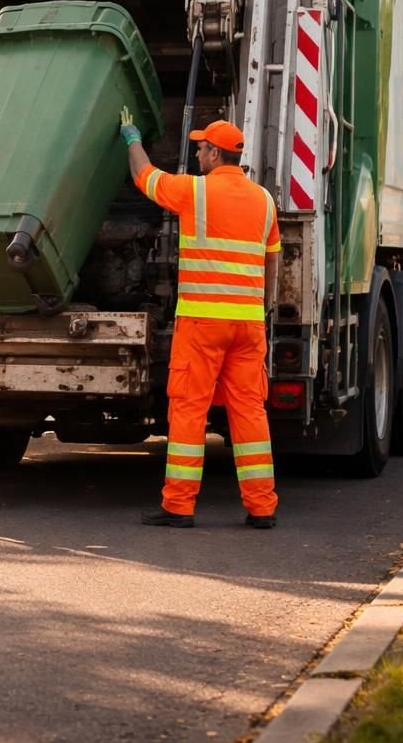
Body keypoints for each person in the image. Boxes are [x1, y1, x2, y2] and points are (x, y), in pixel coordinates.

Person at [119, 109, 281, 529]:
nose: (196, 154)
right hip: (248, 325)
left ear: (214, 153)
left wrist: (130, 137)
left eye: (200, 148)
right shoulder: (264, 200)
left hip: (202, 323)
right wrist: (262, 309)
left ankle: (179, 505)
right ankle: (262, 507)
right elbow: (273, 262)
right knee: (249, 412)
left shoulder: (196, 192)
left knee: (190, 409)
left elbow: (145, 177)